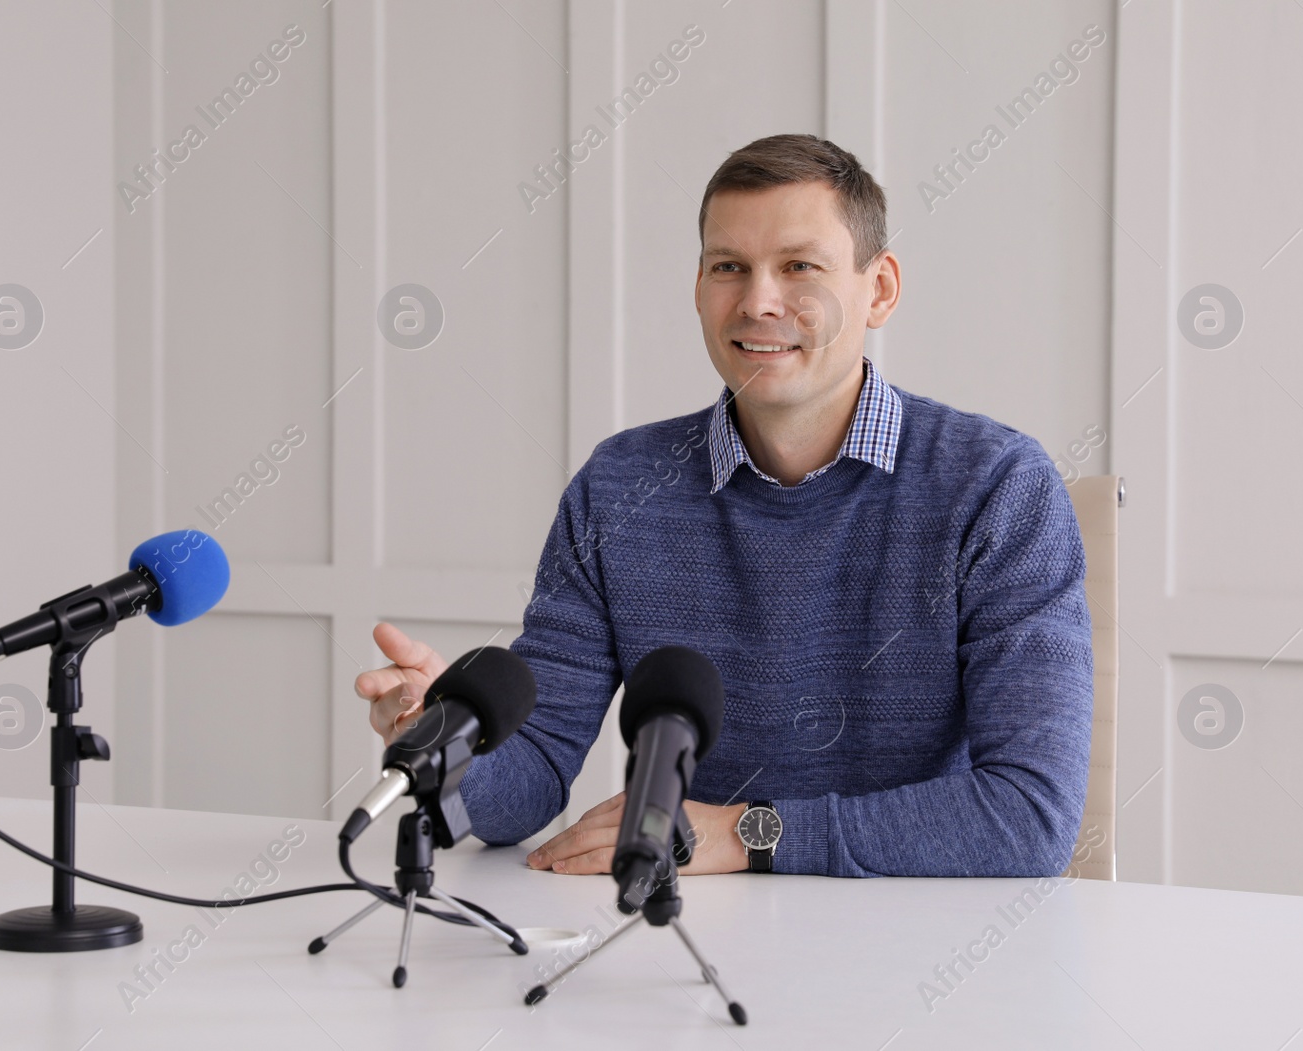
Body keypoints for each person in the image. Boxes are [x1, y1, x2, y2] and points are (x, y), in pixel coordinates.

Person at [356, 134, 1093, 879]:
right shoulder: (620, 487)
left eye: (799, 266)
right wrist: (446, 741)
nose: (757, 301)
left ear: (880, 289)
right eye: (728, 267)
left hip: (927, 947)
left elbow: (1030, 816)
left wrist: (748, 833)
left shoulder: (999, 488)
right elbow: (530, 779)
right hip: (701, 933)